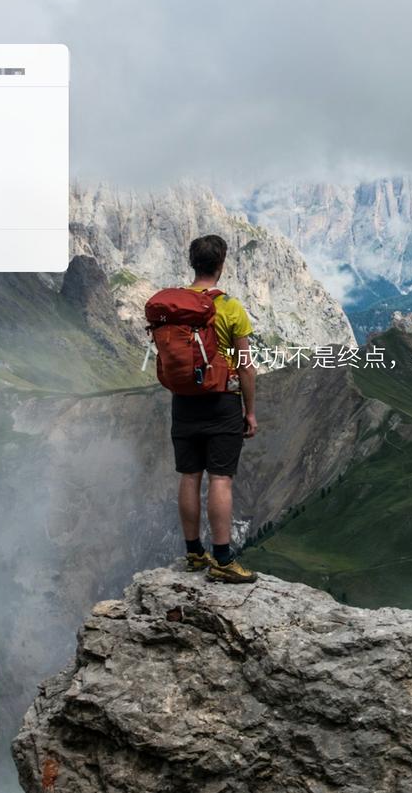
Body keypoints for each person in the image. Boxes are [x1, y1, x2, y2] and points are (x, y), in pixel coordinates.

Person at [171, 234, 260, 583]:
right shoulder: (230, 307)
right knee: (220, 478)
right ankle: (222, 559)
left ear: (193, 263)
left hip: (183, 402)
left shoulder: (174, 305)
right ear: (221, 265)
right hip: (222, 400)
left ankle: (194, 553)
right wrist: (249, 412)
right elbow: (245, 365)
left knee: (190, 475)